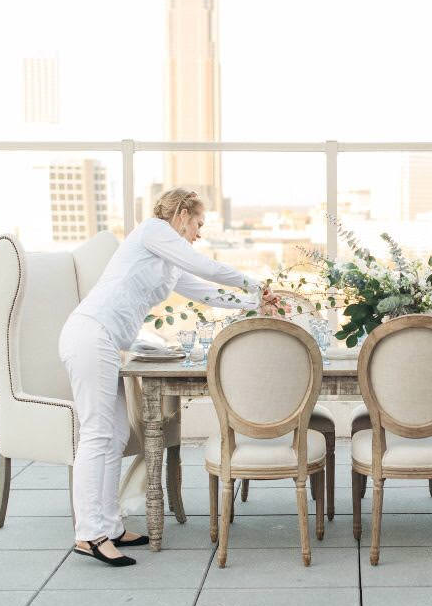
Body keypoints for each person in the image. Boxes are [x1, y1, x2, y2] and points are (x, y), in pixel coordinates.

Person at [59, 188, 277, 566]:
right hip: (90, 333)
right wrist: (253, 283)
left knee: (115, 434)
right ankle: (89, 534)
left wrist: (254, 303)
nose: (199, 232)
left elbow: (206, 292)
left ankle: (109, 526)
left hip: (105, 341)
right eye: (197, 223)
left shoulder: (166, 259)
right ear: (180, 214)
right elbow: (205, 266)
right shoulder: (152, 231)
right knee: (97, 433)